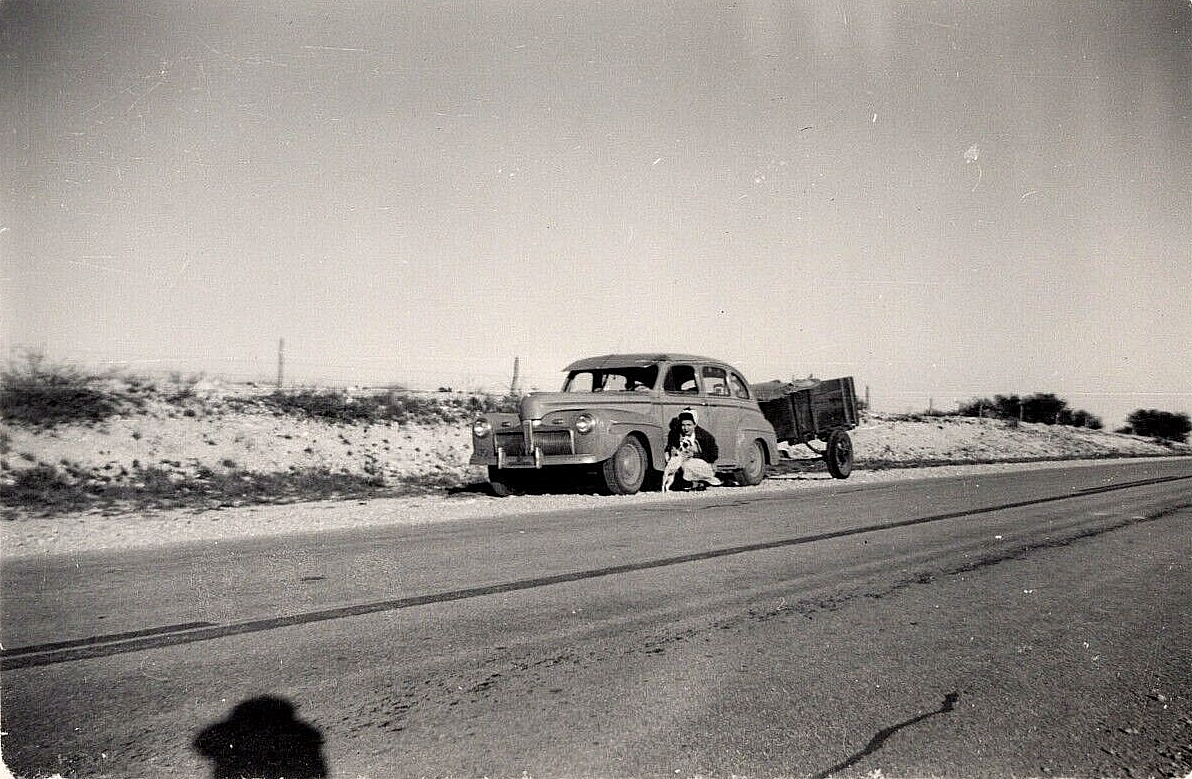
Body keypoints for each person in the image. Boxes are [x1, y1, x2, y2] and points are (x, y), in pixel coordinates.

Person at [664, 409, 721, 489]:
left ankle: (699, 481)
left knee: (686, 465)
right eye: (683, 425)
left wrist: (694, 454)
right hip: (681, 460)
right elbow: (671, 447)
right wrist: (672, 450)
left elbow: (713, 456)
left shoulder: (705, 437)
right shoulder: (675, 434)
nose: (685, 428)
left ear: (695, 425)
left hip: (701, 463)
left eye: (689, 425)